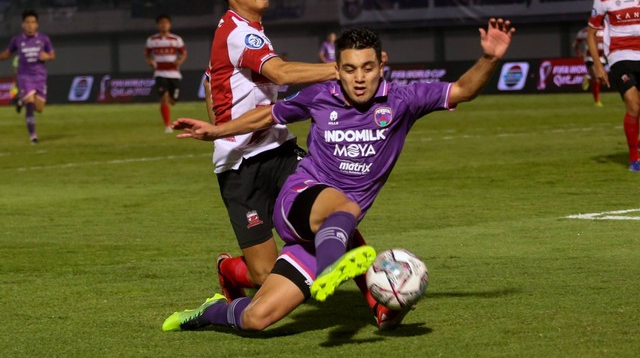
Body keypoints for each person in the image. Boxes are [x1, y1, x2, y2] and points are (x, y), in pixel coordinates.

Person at [163, 18, 515, 333]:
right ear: (338, 68)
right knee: (343, 204)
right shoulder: (321, 96)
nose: (358, 78)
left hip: (325, 233)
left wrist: (490, 58)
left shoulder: (404, 100)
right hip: (300, 198)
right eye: (348, 69)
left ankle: (212, 312)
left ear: (382, 64)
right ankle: (335, 267)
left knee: (258, 318)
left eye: (366, 68)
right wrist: (218, 130)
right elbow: (266, 115)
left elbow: (463, 90)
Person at [202, 0, 337, 303]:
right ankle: (229, 269)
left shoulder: (247, 31)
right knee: (264, 274)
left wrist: (221, 116)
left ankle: (377, 298)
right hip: (240, 165)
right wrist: (343, 69)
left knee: (331, 210)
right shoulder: (238, 33)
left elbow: (208, 80)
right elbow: (280, 72)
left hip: (279, 150)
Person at [588, 0, 640, 172]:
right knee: (633, 104)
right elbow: (592, 34)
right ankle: (634, 159)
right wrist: (598, 65)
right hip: (620, 57)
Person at [0, 10, 55, 144]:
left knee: (39, 108)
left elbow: (52, 55)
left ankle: (20, 101)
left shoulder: (44, 39)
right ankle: (33, 136)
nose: (30, 25)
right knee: (30, 104)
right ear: (23, 25)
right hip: (24, 76)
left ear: (37, 25)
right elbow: (7, 53)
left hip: (40, 77)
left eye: (33, 22)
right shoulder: (17, 40)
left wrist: (46, 56)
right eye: (27, 22)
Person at [144, 14, 187, 133]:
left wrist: (179, 61)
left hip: (174, 74)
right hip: (160, 73)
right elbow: (147, 54)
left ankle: (172, 99)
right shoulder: (152, 40)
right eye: (161, 23)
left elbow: (183, 53)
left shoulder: (176, 39)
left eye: (166, 22)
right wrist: (150, 62)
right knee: (164, 97)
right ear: (158, 25)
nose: (164, 25)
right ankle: (167, 125)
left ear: (170, 25)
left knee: (173, 100)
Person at [574, 26, 606, 106]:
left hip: (601, 58)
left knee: (602, 80)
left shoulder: (605, 30)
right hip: (590, 58)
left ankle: (588, 78)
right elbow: (576, 43)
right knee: (596, 78)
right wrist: (578, 53)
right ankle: (597, 101)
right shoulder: (584, 31)